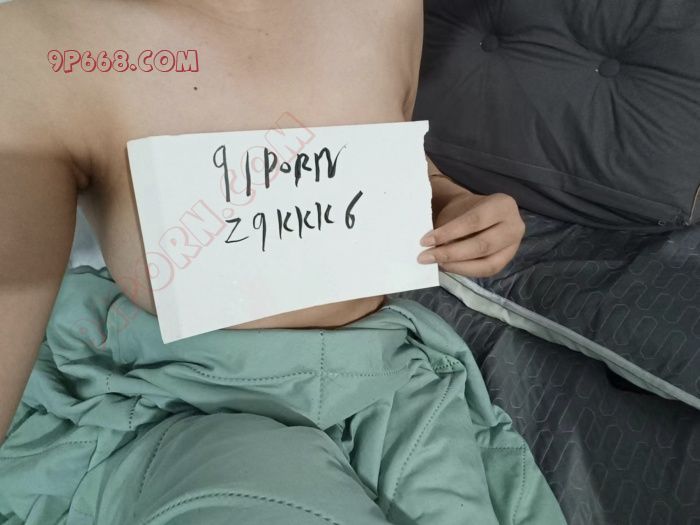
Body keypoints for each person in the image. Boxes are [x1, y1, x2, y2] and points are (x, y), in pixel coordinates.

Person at [0, 2, 554, 524]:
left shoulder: (384, 7)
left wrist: (453, 203)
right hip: (191, 394)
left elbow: (389, 153)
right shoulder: (50, 40)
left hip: (383, 376)